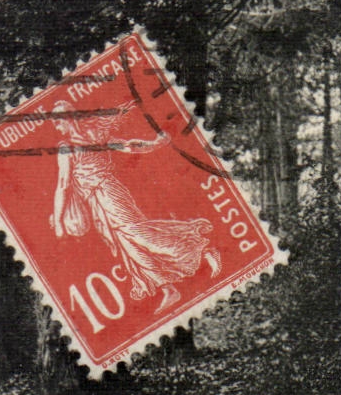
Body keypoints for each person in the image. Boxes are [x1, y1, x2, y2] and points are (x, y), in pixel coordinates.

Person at [50, 99, 221, 314]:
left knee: (137, 233)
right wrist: (155, 144)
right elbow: (128, 145)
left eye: (58, 122)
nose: (57, 128)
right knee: (125, 244)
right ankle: (167, 288)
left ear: (68, 119)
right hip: (96, 202)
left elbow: (64, 184)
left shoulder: (73, 146)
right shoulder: (92, 137)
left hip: (108, 192)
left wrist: (57, 222)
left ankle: (201, 248)